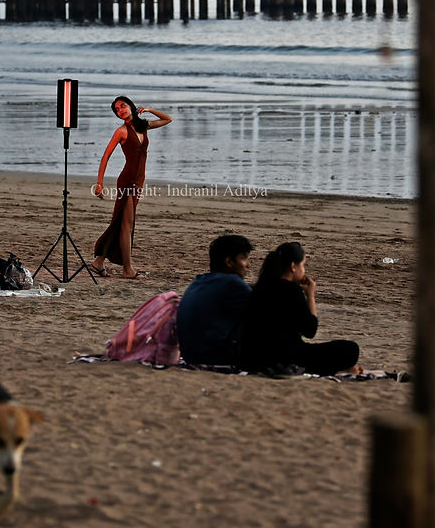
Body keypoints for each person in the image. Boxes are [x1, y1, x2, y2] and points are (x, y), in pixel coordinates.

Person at [239, 241, 363, 376]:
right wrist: (310, 295)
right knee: (350, 349)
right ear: (293, 266)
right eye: (303, 265)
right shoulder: (291, 290)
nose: (303, 271)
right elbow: (310, 330)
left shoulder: (258, 288)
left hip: (253, 357)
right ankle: (338, 369)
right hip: (285, 357)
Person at [91, 96, 172, 279]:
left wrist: (149, 109)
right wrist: (100, 183)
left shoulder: (144, 126)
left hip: (139, 181)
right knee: (127, 225)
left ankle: (99, 262)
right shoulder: (121, 131)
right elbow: (105, 157)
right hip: (127, 181)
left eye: (123, 106)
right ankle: (128, 269)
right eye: (117, 110)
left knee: (120, 222)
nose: (121, 110)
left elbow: (168, 119)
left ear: (131, 106)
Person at [176, 235, 254, 366]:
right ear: (229, 262)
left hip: (191, 355)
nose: (248, 265)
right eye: (244, 259)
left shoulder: (201, 280)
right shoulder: (232, 283)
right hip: (214, 357)